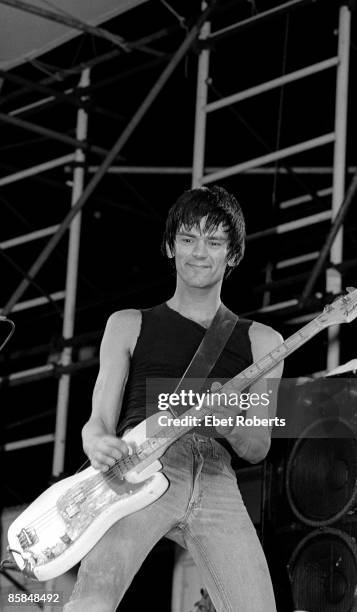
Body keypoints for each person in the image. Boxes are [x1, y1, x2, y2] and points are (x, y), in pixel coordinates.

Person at [64, 185, 284, 612]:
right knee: (91, 601)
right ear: (170, 246)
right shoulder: (128, 324)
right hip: (140, 463)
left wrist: (230, 425)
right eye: (188, 239)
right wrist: (95, 444)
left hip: (217, 477)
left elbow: (259, 446)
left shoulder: (264, 342)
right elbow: (98, 424)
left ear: (233, 255)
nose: (199, 252)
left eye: (214, 241)